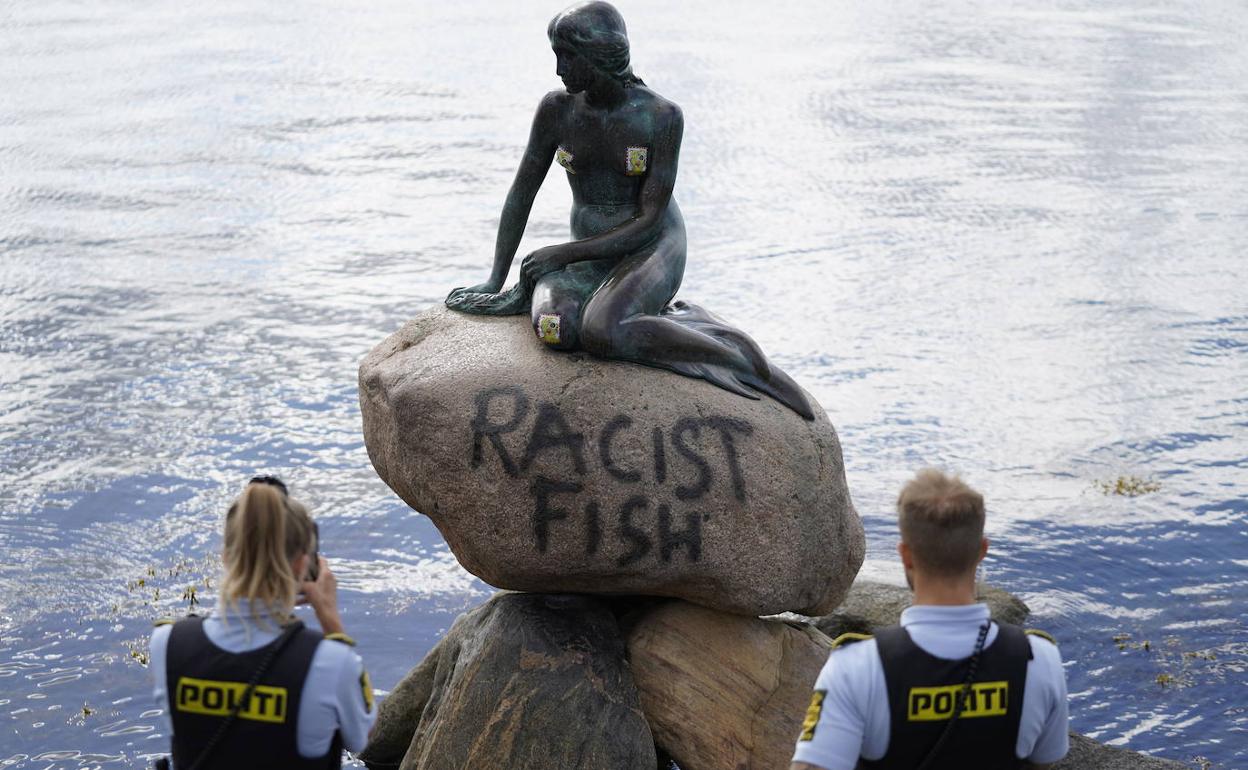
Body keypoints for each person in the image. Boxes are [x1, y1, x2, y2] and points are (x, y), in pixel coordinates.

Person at [444, 1, 813, 420]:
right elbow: (521, 193)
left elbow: (649, 219)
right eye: (556, 55)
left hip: (652, 247)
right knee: (557, 330)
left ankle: (739, 358)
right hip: (588, 254)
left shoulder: (660, 116)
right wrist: (496, 277)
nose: (559, 69)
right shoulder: (556, 110)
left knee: (603, 331)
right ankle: (648, 318)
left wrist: (562, 255)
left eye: (568, 56)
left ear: (600, 56)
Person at [791, 470, 1069, 770]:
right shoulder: (1039, 660)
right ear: (981, 551)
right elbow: (1047, 760)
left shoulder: (857, 667)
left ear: (906, 556)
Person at [148, 476, 375, 769]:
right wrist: (330, 618)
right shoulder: (330, 661)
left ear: (226, 558)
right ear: (300, 565)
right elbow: (363, 735)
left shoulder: (167, 644)